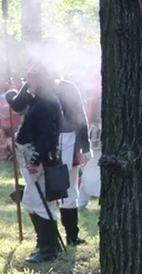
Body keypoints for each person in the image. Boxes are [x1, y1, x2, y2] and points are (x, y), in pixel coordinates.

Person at [9, 63, 65, 263]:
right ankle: (46, 243)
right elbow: (17, 104)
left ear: (41, 78)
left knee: (40, 203)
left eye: (31, 77)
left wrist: (36, 161)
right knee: (36, 202)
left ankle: (48, 247)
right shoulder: (40, 99)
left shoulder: (47, 102)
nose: (28, 81)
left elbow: (48, 137)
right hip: (35, 157)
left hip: (40, 159)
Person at [54, 74, 90, 246]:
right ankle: (49, 239)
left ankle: (71, 235)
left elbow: (80, 118)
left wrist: (86, 147)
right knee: (47, 195)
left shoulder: (68, 88)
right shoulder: (35, 89)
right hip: (46, 144)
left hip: (68, 142)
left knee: (69, 193)